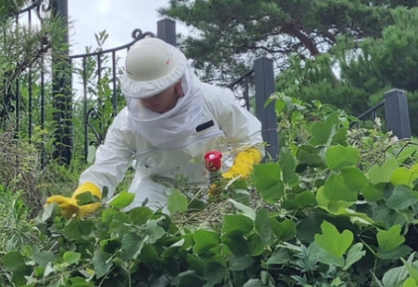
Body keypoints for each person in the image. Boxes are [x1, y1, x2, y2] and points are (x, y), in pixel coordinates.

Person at [47, 37, 264, 218]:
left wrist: (236, 175)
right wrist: (82, 200)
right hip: (156, 188)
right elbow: (105, 170)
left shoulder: (213, 100)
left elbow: (251, 141)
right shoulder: (126, 123)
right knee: (140, 230)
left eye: (155, 93)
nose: (148, 101)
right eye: (142, 95)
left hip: (216, 186)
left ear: (177, 83)